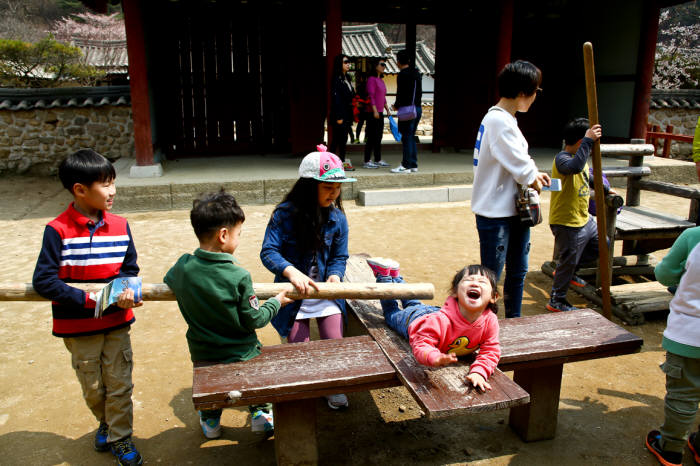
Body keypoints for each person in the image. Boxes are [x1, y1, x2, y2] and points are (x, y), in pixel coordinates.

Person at [32, 149, 144, 466]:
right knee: (93, 388)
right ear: (80, 189)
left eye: (113, 183)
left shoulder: (121, 226)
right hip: (78, 328)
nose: (113, 191)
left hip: (117, 322)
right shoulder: (57, 230)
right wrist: (87, 299)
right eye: (105, 184)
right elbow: (44, 280)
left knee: (120, 384)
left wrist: (126, 289)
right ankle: (106, 422)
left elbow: (129, 269)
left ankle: (121, 438)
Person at [164, 190, 292, 440]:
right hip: (241, 352)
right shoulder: (238, 276)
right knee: (256, 368)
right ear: (223, 235)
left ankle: (211, 420)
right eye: (238, 234)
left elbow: (170, 281)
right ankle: (260, 413)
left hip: (204, 352)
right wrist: (276, 302)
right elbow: (255, 319)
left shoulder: (183, 267)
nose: (238, 240)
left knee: (213, 382)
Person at [260, 144, 356, 409]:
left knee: (334, 344)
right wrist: (290, 271)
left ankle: (332, 385)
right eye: (327, 188)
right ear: (308, 186)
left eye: (337, 188)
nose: (333, 193)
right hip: (293, 295)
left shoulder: (338, 219)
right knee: (299, 352)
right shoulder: (284, 215)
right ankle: (304, 388)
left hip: (324, 291)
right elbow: (268, 251)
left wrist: (335, 277)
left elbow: (339, 256)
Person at [470, 60, 551, 318]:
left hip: (509, 210)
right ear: (522, 92)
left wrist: (532, 173)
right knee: (493, 277)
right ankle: (487, 328)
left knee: (516, 273)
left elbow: (516, 160)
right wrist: (532, 175)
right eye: (535, 91)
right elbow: (520, 165)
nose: (535, 97)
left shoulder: (502, 119)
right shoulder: (500, 121)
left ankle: (513, 324)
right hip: (497, 214)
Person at [366, 258, 500, 392]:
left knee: (414, 304)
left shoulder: (490, 320)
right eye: (468, 280)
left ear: (494, 297)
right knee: (391, 314)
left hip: (432, 312)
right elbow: (421, 344)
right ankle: (384, 276)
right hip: (414, 320)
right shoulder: (440, 321)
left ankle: (396, 277)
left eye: (482, 282)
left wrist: (480, 372)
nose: (475, 284)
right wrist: (434, 356)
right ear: (454, 292)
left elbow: (491, 351)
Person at [645, 241, 700, 466]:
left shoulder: (693, 236)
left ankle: (671, 448)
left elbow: (664, 274)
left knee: (683, 395)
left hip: (689, 334)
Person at [547, 118, 605, 312]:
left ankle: (571, 272)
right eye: (588, 143)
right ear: (581, 143)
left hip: (584, 218)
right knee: (568, 259)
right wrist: (588, 141)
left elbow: (588, 176)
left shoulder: (582, 161)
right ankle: (557, 299)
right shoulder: (562, 159)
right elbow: (575, 168)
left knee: (602, 244)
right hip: (567, 221)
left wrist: (605, 188)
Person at [391, 49, 423, 173]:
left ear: (398, 61)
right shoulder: (416, 73)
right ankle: (413, 164)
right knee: (411, 136)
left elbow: (402, 93)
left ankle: (406, 165)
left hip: (407, 110)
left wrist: (396, 105)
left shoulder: (403, 74)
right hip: (417, 108)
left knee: (406, 137)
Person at [329, 54, 356, 171]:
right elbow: (336, 99)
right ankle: (330, 163)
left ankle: (341, 162)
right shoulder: (336, 79)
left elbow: (351, 95)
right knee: (336, 140)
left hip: (347, 113)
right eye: (345, 62)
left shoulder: (348, 78)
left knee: (343, 139)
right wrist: (339, 116)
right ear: (339, 63)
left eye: (349, 62)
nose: (348, 64)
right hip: (339, 114)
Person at [363, 58, 391, 169]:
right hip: (372, 112)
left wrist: (387, 110)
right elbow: (371, 96)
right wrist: (374, 110)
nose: (384, 66)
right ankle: (367, 160)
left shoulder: (382, 81)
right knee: (371, 136)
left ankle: (378, 159)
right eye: (382, 64)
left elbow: (383, 98)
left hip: (380, 112)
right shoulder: (371, 79)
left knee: (379, 137)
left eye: (385, 64)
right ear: (376, 66)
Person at [352, 72, 370, 144]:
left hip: (361, 106)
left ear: (361, 78)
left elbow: (356, 96)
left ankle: (357, 138)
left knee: (360, 124)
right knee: (368, 124)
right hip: (367, 106)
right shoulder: (368, 86)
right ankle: (366, 138)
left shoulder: (359, 86)